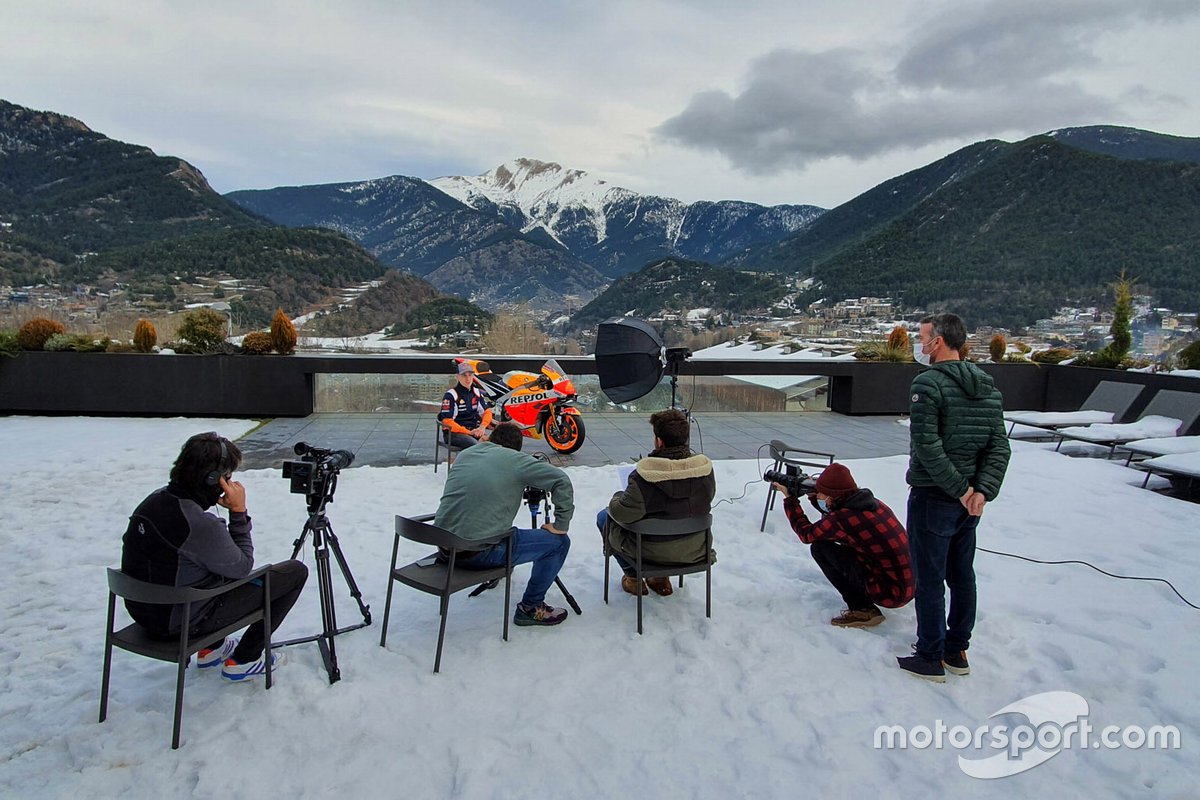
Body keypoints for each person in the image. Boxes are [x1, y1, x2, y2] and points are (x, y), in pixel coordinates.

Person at [121, 432, 309, 681]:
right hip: (179, 623)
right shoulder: (198, 523)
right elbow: (241, 566)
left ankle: (212, 649)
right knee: (294, 572)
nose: (229, 482)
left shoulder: (154, 501)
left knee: (204, 568)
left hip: (145, 612)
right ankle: (245, 659)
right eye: (227, 477)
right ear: (212, 479)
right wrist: (239, 513)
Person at [899, 313, 1011, 682]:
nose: (920, 344)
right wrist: (981, 491)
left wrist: (964, 490)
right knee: (962, 575)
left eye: (923, 337)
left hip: (936, 496)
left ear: (939, 342)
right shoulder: (987, 386)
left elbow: (927, 446)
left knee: (930, 577)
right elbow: (999, 446)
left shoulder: (927, 385)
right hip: (969, 504)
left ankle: (929, 655)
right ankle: (957, 649)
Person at [434, 422, 574, 626]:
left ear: (491, 439)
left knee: (494, 523)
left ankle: (501, 572)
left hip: (444, 548)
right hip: (476, 554)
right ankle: (531, 607)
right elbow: (561, 480)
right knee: (560, 543)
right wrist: (561, 524)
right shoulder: (516, 460)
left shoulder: (467, 454)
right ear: (516, 449)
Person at [774, 462, 913, 627]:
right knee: (841, 545)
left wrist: (790, 500)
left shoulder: (843, 518)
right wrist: (813, 494)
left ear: (832, 496)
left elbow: (807, 534)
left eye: (821, 493)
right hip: (909, 583)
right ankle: (864, 602)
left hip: (891, 593)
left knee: (820, 549)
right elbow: (834, 518)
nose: (818, 496)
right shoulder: (870, 503)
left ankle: (862, 610)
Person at [597, 408, 715, 597]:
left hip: (650, 552)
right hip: (694, 549)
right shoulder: (705, 471)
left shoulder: (643, 478)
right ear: (685, 439)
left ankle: (634, 579)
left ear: (659, 441)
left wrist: (618, 496)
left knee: (604, 517)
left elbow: (621, 513)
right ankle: (660, 580)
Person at [438, 361, 494, 450]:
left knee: (494, 445)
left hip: (473, 430)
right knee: (478, 447)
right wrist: (468, 432)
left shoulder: (477, 392)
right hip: (454, 433)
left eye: (470, 375)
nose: (468, 378)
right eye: (464, 375)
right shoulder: (451, 395)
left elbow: (487, 411)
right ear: (458, 377)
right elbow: (447, 421)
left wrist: (482, 427)